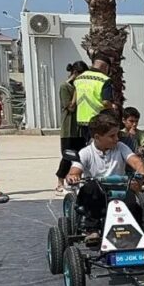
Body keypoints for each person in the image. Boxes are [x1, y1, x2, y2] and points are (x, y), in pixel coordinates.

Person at [65, 113, 144, 236]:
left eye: (117, 134)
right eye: (112, 136)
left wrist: (143, 173)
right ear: (97, 137)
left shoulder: (121, 147)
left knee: (132, 204)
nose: (117, 138)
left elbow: (135, 161)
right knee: (91, 187)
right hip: (97, 194)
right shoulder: (86, 152)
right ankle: (92, 230)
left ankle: (135, 233)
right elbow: (75, 170)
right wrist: (73, 176)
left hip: (118, 191)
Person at [55, 61, 88, 192]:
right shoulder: (65, 87)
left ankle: (75, 180)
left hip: (81, 127)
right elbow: (70, 107)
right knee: (67, 155)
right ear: (75, 74)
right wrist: (77, 91)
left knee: (80, 155)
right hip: (69, 127)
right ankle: (60, 181)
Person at [74, 55, 114, 142]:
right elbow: (106, 102)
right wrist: (113, 109)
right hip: (98, 120)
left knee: (88, 145)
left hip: (81, 119)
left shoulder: (79, 78)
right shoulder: (105, 80)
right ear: (106, 67)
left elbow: (75, 99)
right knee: (97, 147)